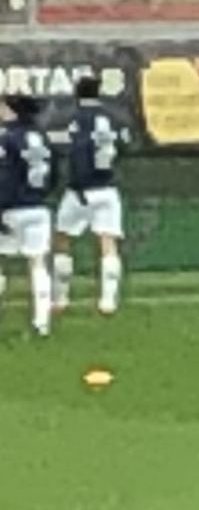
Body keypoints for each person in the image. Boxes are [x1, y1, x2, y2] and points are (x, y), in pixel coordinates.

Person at [51, 69, 121, 321]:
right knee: (108, 242)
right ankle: (108, 300)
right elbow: (124, 144)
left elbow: (78, 152)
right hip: (108, 188)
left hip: (81, 189)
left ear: (76, 93)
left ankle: (60, 298)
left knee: (61, 239)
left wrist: (79, 185)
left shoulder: (77, 119)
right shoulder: (113, 117)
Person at [0, 96, 57, 338]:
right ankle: (42, 322)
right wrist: (43, 195)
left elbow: (4, 176)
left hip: (12, 208)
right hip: (39, 207)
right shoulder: (41, 136)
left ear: (12, 111)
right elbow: (54, 172)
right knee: (38, 262)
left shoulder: (7, 137)